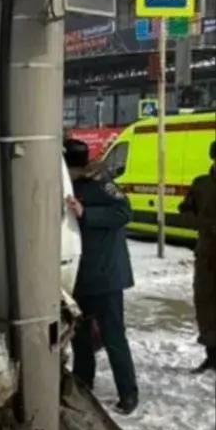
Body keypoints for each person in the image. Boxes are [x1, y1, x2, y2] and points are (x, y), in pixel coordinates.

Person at [64, 138, 140, 414]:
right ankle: (84, 384)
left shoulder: (100, 181)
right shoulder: (67, 183)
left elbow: (123, 212)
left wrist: (87, 213)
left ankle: (128, 393)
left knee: (112, 336)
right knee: (80, 336)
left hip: (106, 275)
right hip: (80, 274)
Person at [180, 139, 216, 375]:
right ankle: (212, 355)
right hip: (207, 255)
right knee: (205, 303)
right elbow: (185, 212)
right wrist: (205, 224)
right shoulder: (201, 184)